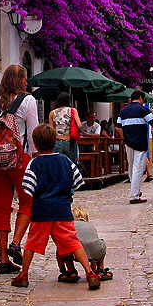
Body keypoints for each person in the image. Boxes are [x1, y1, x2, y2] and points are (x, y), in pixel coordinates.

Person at [11, 124, 101, 290]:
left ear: (36, 144)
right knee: (73, 242)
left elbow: (27, 187)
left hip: (41, 211)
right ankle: (90, 272)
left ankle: (23, 274)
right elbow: (78, 181)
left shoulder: (34, 163)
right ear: (55, 141)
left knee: (31, 244)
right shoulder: (65, 160)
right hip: (62, 211)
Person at [0, 64, 39, 274]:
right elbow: (32, 135)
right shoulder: (28, 101)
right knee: (28, 201)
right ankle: (16, 242)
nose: (27, 82)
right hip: (19, 160)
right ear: (19, 80)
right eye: (25, 78)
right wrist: (36, 160)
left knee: (1, 207)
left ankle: (4, 259)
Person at [116, 91, 153, 204]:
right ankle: (134, 195)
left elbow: (118, 128)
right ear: (141, 98)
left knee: (131, 167)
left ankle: (135, 190)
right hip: (140, 143)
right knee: (138, 168)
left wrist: (125, 138)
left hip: (128, 143)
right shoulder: (143, 110)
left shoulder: (123, 111)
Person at [56, 206, 111, 282]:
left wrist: (62, 270)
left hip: (76, 252)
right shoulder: (90, 225)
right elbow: (91, 242)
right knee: (98, 243)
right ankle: (100, 269)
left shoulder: (70, 225)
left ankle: (71, 271)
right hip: (96, 252)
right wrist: (93, 268)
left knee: (64, 245)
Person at [49, 92, 84, 165]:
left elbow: (51, 130)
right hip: (69, 141)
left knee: (58, 165)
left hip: (57, 142)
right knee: (71, 165)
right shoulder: (72, 110)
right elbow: (80, 125)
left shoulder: (52, 113)